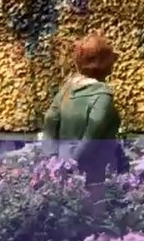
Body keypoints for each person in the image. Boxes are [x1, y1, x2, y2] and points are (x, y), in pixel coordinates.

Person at [42, 31, 126, 186]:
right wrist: (73, 164)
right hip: (94, 171)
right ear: (104, 64)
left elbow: (50, 120)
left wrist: (52, 157)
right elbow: (92, 136)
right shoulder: (102, 96)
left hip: (61, 164)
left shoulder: (67, 89)